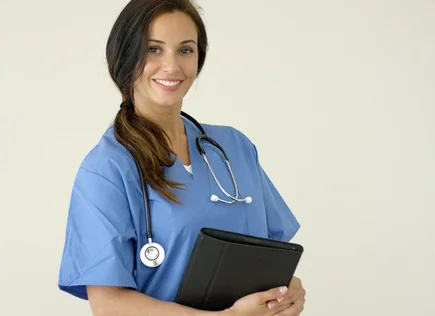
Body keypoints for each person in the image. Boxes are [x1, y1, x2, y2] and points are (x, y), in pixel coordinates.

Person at [57, 0, 306, 315]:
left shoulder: (234, 147)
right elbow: (109, 305)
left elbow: (269, 257)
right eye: (153, 49)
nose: (172, 67)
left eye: (185, 50)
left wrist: (286, 292)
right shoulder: (107, 169)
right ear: (124, 56)